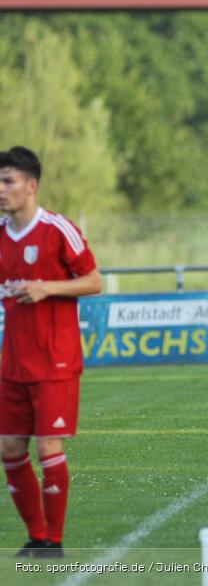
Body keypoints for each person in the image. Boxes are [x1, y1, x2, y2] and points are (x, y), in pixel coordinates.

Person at [0, 146, 103, 558]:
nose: (1, 190)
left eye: (8, 182)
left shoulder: (58, 229)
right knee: (9, 448)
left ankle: (53, 542)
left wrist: (47, 287)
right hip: (12, 363)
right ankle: (37, 536)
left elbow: (94, 281)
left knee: (48, 448)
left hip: (55, 362)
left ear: (31, 185)